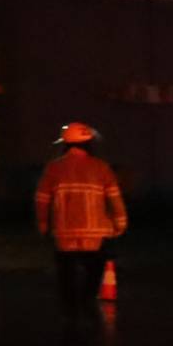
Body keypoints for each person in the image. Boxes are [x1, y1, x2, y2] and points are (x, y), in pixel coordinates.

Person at [33, 122, 126, 331]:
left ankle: (70, 311)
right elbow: (115, 199)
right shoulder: (101, 167)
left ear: (65, 145)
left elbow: (42, 199)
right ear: (90, 144)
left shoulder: (55, 168)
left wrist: (43, 224)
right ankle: (86, 301)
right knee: (94, 270)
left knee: (66, 272)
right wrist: (120, 223)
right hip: (96, 234)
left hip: (64, 232)